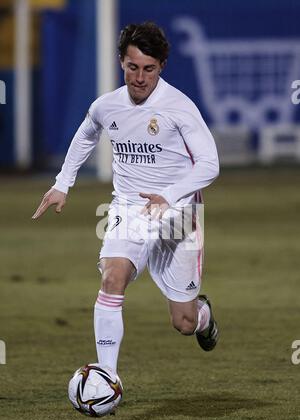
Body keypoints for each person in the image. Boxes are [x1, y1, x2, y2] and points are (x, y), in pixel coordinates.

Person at [32, 22, 220, 377]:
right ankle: (107, 378)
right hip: (129, 208)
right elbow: (86, 134)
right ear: (121, 62)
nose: (139, 77)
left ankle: (203, 316)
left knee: (183, 321)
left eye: (148, 69)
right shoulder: (107, 106)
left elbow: (210, 164)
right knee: (112, 277)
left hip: (179, 214)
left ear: (161, 66)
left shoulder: (179, 107)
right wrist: (63, 183)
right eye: (133, 67)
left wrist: (168, 194)